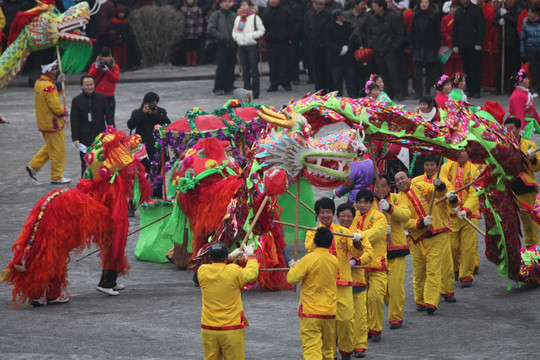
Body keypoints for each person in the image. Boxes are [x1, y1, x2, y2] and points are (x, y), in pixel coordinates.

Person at [304, 198, 365, 360]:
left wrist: (358, 242)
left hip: (343, 282)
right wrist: (321, 237)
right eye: (322, 212)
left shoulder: (343, 231)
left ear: (333, 214)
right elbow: (310, 249)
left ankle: (346, 350)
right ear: (317, 215)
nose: (325, 215)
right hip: (322, 285)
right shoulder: (312, 232)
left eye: (328, 212)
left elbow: (356, 253)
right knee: (328, 323)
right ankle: (330, 355)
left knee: (346, 320)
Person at [395, 170, 456, 314]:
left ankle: (431, 302)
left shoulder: (422, 186)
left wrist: (440, 185)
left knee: (433, 269)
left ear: (409, 178)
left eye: (402, 178)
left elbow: (439, 193)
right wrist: (420, 223)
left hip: (436, 235)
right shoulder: (397, 200)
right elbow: (402, 222)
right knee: (419, 271)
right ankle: (420, 300)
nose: (400, 181)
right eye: (397, 180)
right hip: (416, 239)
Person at [197, 241, 259, 360]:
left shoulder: (202, 271)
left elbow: (216, 267)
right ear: (225, 257)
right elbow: (252, 273)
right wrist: (251, 255)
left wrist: (230, 257)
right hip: (231, 329)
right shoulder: (234, 271)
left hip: (208, 329)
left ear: (210, 257)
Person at [287, 226, 338, 360]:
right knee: (328, 350)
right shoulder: (334, 260)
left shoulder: (308, 259)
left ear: (314, 241)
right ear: (331, 242)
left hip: (310, 311)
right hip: (329, 311)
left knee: (311, 349)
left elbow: (292, 279)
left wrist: (293, 266)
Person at [412, 155, 457, 304]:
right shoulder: (415, 182)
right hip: (420, 228)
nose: (429, 168)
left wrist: (447, 193)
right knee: (421, 267)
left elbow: (453, 203)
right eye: (427, 165)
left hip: (440, 225)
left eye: (432, 165)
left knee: (445, 262)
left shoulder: (445, 182)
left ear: (437, 167)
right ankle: (423, 297)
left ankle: (447, 290)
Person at [373, 174, 411, 330]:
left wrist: (390, 208)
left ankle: (395, 316)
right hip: (377, 251)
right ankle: (394, 306)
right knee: (382, 289)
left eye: (383, 186)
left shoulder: (398, 198)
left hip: (397, 247)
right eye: (377, 186)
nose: (380, 189)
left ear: (388, 187)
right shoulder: (368, 203)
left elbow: (406, 215)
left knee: (395, 286)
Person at [337, 203, 374, 359]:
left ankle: (359, 346)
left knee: (359, 316)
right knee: (343, 317)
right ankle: (342, 344)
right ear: (337, 217)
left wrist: (357, 262)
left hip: (357, 279)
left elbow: (370, 253)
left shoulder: (360, 235)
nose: (346, 219)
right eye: (342, 216)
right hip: (338, 282)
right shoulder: (332, 234)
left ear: (353, 217)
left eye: (349, 216)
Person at [351, 189, 387, 342]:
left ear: (372, 202)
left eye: (365, 202)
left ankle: (376, 327)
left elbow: (376, 233)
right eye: (359, 202)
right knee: (361, 301)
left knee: (376, 297)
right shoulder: (353, 216)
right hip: (358, 264)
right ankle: (364, 329)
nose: (362, 205)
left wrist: (361, 237)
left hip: (376, 263)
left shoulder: (380, 217)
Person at [26, 60, 70, 185]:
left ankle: (33, 166)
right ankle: (56, 176)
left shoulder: (39, 83)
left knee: (50, 147)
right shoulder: (49, 86)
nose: (55, 71)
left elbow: (53, 92)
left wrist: (59, 83)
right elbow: (55, 106)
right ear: (47, 71)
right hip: (53, 123)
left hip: (44, 123)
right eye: (53, 69)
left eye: (56, 69)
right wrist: (64, 112)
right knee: (58, 150)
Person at [440, 151, 481, 287]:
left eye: (463, 151)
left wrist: (466, 209)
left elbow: (474, 193)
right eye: (457, 150)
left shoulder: (475, 171)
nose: (460, 154)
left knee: (468, 247)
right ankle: (457, 269)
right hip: (451, 213)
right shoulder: (445, 167)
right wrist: (453, 203)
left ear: (468, 153)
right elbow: (444, 186)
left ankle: (466, 275)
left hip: (469, 215)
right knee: (452, 246)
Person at [127, 92, 171, 198]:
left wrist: (156, 114)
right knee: (140, 179)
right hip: (142, 152)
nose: (151, 106)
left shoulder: (160, 112)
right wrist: (143, 113)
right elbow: (130, 124)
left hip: (157, 151)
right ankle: (136, 202)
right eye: (149, 104)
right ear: (144, 103)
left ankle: (157, 200)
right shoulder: (137, 112)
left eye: (154, 104)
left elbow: (168, 125)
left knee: (158, 179)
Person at [504, 116, 540, 248]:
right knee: (509, 225)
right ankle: (515, 256)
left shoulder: (530, 145)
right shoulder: (501, 145)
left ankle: (533, 255)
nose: (508, 132)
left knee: (531, 223)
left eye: (511, 129)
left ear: (519, 129)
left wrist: (533, 159)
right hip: (508, 189)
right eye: (506, 129)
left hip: (526, 188)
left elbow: (536, 169)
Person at [70, 75, 115, 178]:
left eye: (91, 84)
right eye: (87, 85)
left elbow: (109, 115)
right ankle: (85, 183)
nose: (90, 87)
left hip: (100, 135)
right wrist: (75, 138)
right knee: (86, 161)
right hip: (84, 136)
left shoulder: (101, 98)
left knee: (102, 160)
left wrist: (111, 130)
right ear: (82, 86)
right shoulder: (77, 101)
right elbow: (74, 121)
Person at [367, 0, 405, 101]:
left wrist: (395, 46)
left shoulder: (392, 16)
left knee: (393, 72)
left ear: (381, 7)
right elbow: (369, 33)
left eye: (375, 6)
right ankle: (387, 93)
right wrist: (372, 44)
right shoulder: (372, 18)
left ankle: (399, 93)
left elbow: (399, 32)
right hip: (377, 49)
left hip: (389, 49)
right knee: (382, 74)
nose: (373, 8)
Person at [452, 0, 485, 99]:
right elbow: (455, 29)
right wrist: (455, 44)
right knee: (466, 68)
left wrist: (479, 42)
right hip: (462, 44)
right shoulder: (458, 12)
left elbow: (481, 27)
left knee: (475, 68)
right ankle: (469, 88)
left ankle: (476, 90)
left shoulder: (476, 10)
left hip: (474, 44)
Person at [408, 0, 441, 99]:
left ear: (429, 4)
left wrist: (436, 47)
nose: (423, 4)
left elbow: (438, 32)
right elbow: (412, 31)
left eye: (426, 2)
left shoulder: (434, 16)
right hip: (418, 47)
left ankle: (427, 90)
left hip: (430, 47)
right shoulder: (416, 15)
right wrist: (411, 44)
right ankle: (419, 91)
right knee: (417, 72)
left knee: (430, 71)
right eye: (422, 3)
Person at [232, 0, 265, 99]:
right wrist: (237, 38)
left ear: (250, 6)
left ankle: (255, 91)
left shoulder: (255, 17)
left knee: (254, 70)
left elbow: (261, 30)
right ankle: (246, 91)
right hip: (242, 45)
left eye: (245, 5)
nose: (242, 7)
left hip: (252, 45)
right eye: (241, 5)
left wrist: (252, 36)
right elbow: (234, 31)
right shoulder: (238, 18)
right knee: (245, 70)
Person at [207, 0, 237, 95]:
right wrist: (222, 37)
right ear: (220, 4)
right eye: (224, 2)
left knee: (231, 66)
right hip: (221, 44)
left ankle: (228, 86)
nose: (227, 4)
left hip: (232, 44)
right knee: (222, 66)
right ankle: (218, 87)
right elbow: (210, 29)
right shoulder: (216, 15)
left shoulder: (234, 15)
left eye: (229, 1)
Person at [326, 8, 358, 97]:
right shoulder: (330, 27)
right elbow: (329, 42)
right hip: (336, 58)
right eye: (341, 15)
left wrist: (347, 46)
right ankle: (338, 97)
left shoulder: (347, 26)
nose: (343, 17)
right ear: (337, 17)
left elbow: (352, 38)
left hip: (347, 57)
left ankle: (352, 96)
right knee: (337, 80)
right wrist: (338, 50)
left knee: (350, 79)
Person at [493, 0, 522, 94]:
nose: (510, 3)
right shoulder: (501, 9)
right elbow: (494, 21)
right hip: (503, 42)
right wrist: (499, 22)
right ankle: (499, 87)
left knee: (514, 67)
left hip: (514, 43)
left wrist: (506, 16)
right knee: (501, 66)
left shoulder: (518, 10)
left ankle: (513, 87)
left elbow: (516, 22)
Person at [304, 0, 332, 94]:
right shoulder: (309, 15)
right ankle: (319, 89)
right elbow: (307, 29)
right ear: (313, 4)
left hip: (326, 46)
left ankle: (328, 88)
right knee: (316, 69)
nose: (319, 6)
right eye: (317, 4)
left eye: (321, 4)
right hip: (314, 45)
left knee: (327, 69)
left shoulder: (328, 14)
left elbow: (329, 29)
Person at [88, 47, 120, 121]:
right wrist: (96, 68)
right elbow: (89, 77)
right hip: (97, 96)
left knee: (110, 119)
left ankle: (111, 132)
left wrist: (108, 71)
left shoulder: (114, 66)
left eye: (109, 56)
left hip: (109, 96)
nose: (108, 59)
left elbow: (115, 79)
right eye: (105, 56)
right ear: (101, 57)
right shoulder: (95, 65)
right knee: (98, 118)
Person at [508, 69, 540, 137]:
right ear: (520, 82)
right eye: (526, 79)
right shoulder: (518, 96)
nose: (528, 81)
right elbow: (519, 113)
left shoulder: (524, 93)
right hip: (519, 125)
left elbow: (532, 110)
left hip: (526, 123)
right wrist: (520, 130)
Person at [520, 5, 540, 98]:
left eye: (532, 12)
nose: (529, 14)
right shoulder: (526, 24)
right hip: (531, 50)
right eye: (529, 12)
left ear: (536, 13)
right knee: (534, 70)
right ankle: (536, 89)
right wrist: (523, 53)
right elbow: (522, 40)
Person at [441, 1, 463, 77]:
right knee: (447, 68)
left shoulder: (462, 18)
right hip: (447, 47)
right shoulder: (445, 19)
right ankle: (447, 85)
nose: (455, 9)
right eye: (453, 7)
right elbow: (443, 31)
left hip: (459, 46)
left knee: (458, 68)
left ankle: (457, 85)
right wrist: (449, 40)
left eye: (457, 8)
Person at [180, 0, 204, 67]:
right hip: (186, 31)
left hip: (195, 31)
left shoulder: (198, 9)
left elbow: (200, 21)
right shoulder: (183, 9)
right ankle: (188, 61)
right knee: (187, 47)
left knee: (195, 47)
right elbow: (181, 20)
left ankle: (194, 61)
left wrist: (200, 31)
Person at [107, 6, 130, 70]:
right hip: (116, 41)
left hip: (124, 40)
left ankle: (123, 65)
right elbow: (112, 31)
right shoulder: (114, 21)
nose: (121, 14)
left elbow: (128, 30)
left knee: (124, 54)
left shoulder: (125, 21)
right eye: (120, 13)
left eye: (123, 13)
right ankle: (117, 66)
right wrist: (112, 39)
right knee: (117, 55)